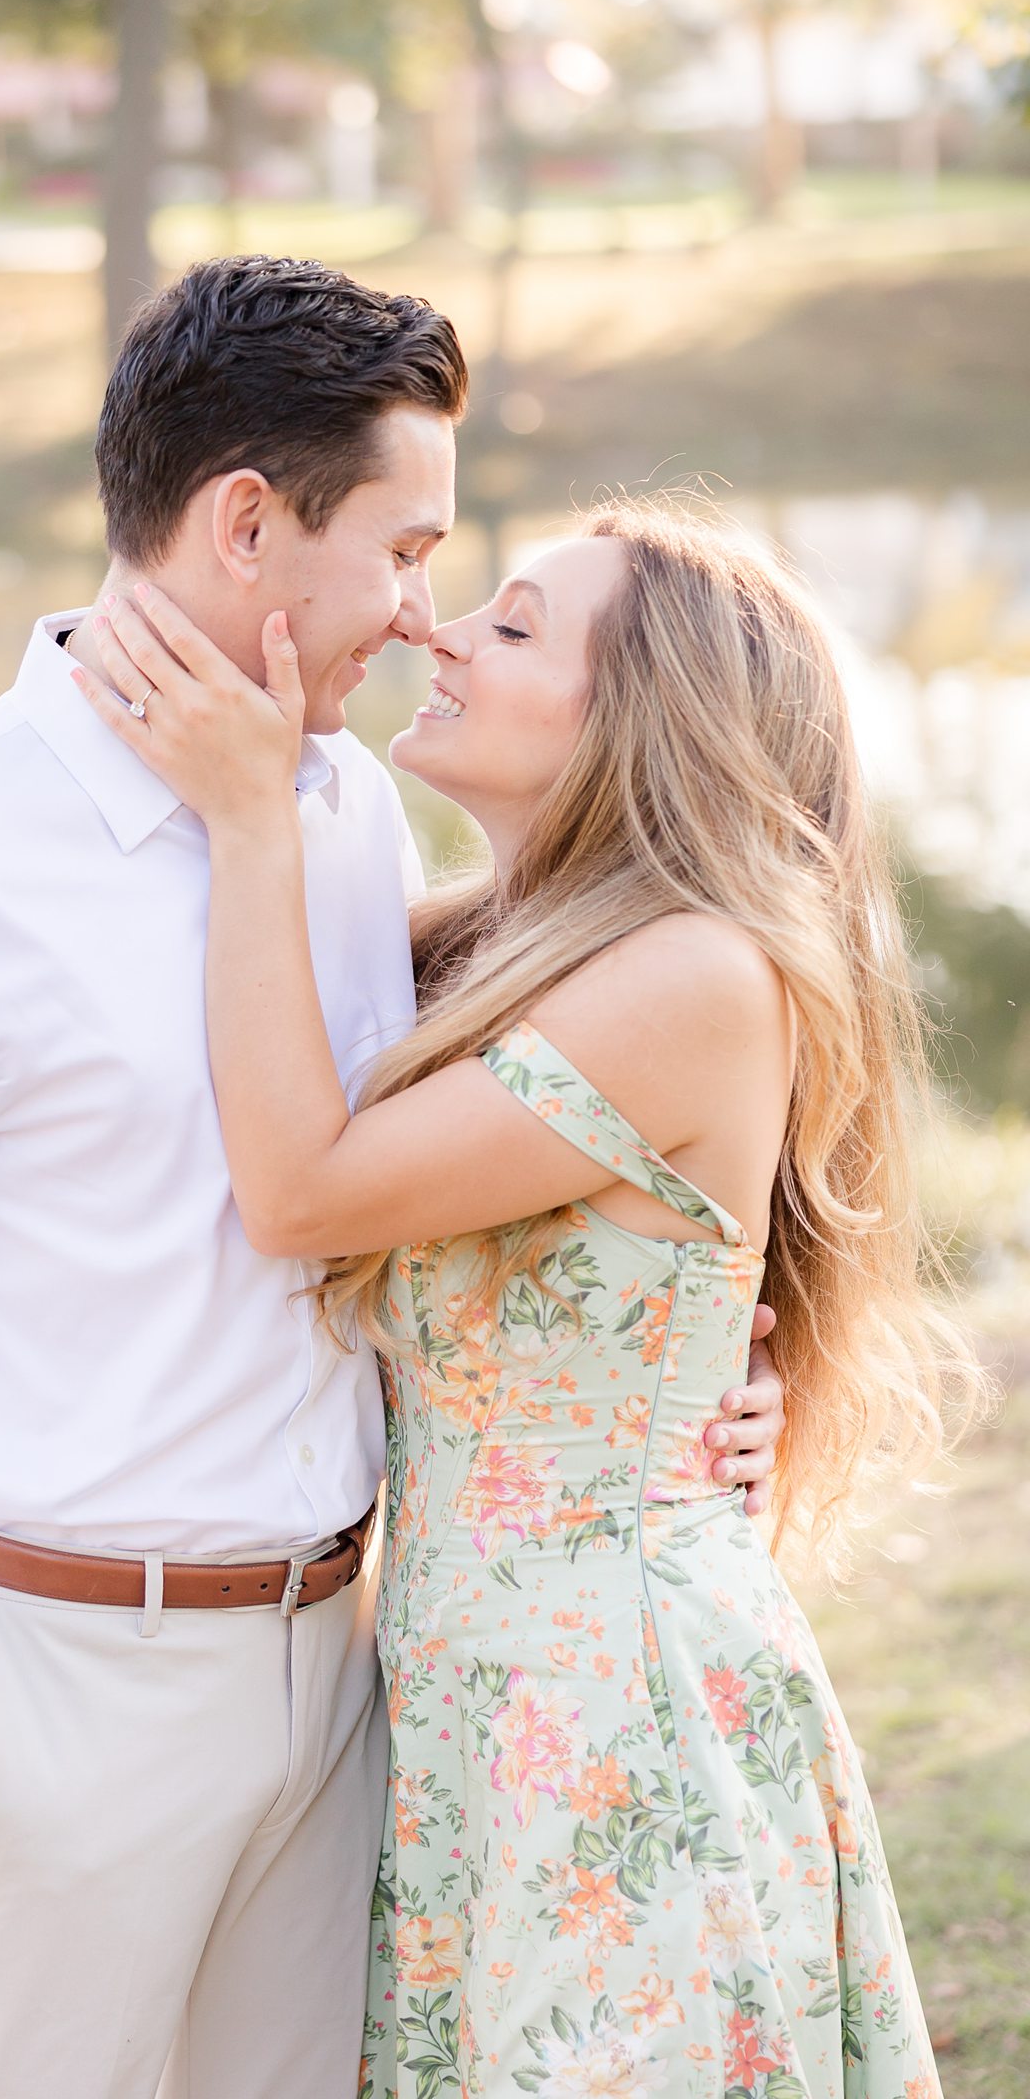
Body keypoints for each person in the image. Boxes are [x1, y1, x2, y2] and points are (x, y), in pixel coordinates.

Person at [0, 258, 784, 2099]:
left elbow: (550, 1139)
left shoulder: (344, 811)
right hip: (57, 1699)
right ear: (250, 525)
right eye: (410, 551)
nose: (428, 617)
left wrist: (697, 1382)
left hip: (348, 1684)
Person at [76, 497, 980, 2099]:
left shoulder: (695, 975)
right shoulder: (504, 955)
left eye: (510, 626)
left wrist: (250, 819)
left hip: (611, 1700)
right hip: (473, 1699)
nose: (438, 631)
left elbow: (301, 1194)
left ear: (641, 721)